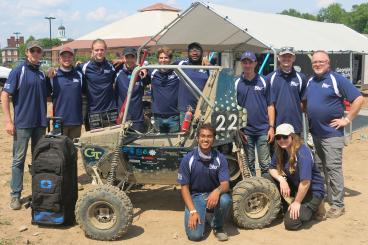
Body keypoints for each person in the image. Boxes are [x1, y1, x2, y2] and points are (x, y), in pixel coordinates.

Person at [303, 50, 364, 218]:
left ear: (328, 63)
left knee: (333, 168)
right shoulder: (311, 81)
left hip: (332, 135)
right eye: (315, 62)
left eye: (321, 62)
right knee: (320, 168)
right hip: (315, 134)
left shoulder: (337, 79)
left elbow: (359, 99)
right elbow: (309, 103)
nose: (317, 64)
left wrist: (347, 119)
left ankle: (338, 204)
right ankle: (322, 198)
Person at [1, 41, 47, 210]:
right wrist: (8, 121)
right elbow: (5, 95)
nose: (35, 53)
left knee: (39, 160)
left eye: (38, 51)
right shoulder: (18, 71)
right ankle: (15, 195)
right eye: (33, 50)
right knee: (18, 160)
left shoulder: (41, 74)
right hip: (22, 125)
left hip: (40, 124)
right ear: (27, 52)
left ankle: (38, 193)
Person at [177, 123, 231, 241]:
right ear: (197, 138)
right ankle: (204, 216)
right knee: (195, 236)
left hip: (214, 196)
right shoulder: (188, 159)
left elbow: (225, 184)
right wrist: (192, 210)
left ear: (213, 139)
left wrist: (217, 191)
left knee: (226, 200)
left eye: (209, 136)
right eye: (202, 136)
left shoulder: (220, 158)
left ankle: (218, 226)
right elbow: (184, 188)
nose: (205, 139)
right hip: (195, 197)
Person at [266, 123, 325, 230]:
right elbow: (271, 168)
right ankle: (285, 207)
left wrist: (297, 202)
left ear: (292, 137)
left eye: (285, 137)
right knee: (267, 177)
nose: (281, 140)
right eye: (278, 137)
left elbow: (306, 182)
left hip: (312, 191)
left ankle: (315, 207)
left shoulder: (303, 153)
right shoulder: (281, 150)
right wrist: (281, 180)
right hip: (296, 186)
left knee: (291, 223)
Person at [235, 51, 274, 176]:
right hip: (245, 131)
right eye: (245, 62)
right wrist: (238, 129)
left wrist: (271, 127)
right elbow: (233, 108)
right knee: (249, 163)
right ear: (241, 64)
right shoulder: (236, 82)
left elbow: (270, 105)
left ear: (255, 63)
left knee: (265, 164)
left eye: (250, 62)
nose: (247, 65)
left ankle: (266, 190)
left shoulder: (264, 80)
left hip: (263, 129)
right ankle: (252, 191)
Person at [267, 47, 307, 135]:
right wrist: (271, 126)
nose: (286, 59)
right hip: (276, 126)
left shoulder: (301, 78)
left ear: (294, 58)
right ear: (278, 58)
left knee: (294, 149)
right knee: (276, 149)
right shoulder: (270, 78)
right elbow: (268, 104)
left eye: (289, 56)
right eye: (283, 56)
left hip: (295, 126)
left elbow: (303, 102)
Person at [47, 47, 84, 139]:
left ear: (73, 58)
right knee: (59, 150)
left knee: (73, 150)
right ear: (59, 59)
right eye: (64, 57)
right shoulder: (52, 76)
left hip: (76, 121)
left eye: (69, 57)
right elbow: (47, 97)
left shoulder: (79, 75)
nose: (67, 59)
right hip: (59, 121)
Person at [79, 39, 116, 128]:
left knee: (112, 140)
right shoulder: (84, 67)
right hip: (93, 112)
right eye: (96, 50)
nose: (99, 52)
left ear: (105, 50)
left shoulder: (112, 67)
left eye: (102, 50)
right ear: (92, 51)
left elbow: (129, 65)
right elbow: (68, 70)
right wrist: (52, 70)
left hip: (110, 111)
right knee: (94, 141)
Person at [115, 47, 149, 132]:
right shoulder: (117, 71)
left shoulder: (141, 72)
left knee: (138, 144)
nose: (129, 60)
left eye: (132, 57)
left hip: (138, 118)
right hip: (122, 118)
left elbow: (153, 75)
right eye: (127, 57)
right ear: (123, 58)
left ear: (136, 58)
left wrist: (146, 69)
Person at [176, 42, 210, 124]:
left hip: (203, 110)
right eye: (191, 51)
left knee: (202, 136)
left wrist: (209, 65)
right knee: (185, 136)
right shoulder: (181, 64)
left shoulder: (208, 66)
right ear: (188, 53)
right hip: (185, 111)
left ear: (202, 53)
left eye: (197, 50)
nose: (194, 53)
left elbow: (217, 80)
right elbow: (163, 67)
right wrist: (145, 69)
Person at [150, 47, 180, 133]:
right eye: (161, 58)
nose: (163, 60)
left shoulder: (177, 71)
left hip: (174, 116)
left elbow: (187, 62)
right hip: (158, 116)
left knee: (175, 144)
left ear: (170, 59)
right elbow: (136, 67)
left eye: (166, 57)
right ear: (158, 59)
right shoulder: (152, 72)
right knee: (159, 144)